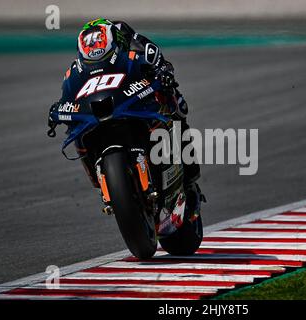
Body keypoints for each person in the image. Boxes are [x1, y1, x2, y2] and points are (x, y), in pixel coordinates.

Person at [48, 18, 203, 217]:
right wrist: (58, 110)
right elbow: (67, 94)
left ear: (115, 40)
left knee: (178, 107)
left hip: (138, 99)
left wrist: (164, 73)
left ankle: (189, 177)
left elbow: (160, 62)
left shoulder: (135, 42)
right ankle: (107, 183)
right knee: (78, 131)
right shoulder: (75, 70)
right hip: (106, 109)